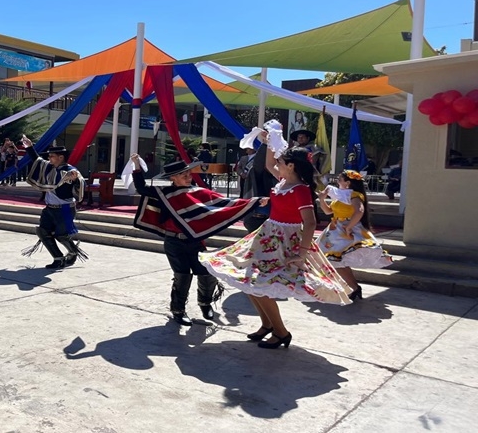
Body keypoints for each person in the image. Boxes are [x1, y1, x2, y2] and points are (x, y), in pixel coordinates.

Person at [199, 142, 352, 349]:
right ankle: (267, 325)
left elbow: (310, 222)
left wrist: (302, 253)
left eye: (282, 162)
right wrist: (270, 139)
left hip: (285, 241)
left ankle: (281, 333)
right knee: (247, 279)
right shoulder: (282, 181)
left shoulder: (300, 190)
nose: (277, 164)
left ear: (291, 166)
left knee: (261, 284)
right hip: (267, 235)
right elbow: (269, 162)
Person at [131, 155, 260, 326]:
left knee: (206, 272)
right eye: (183, 175)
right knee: (182, 275)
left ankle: (205, 304)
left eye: (189, 174)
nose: (188, 177)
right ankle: (178, 310)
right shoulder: (164, 194)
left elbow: (225, 203)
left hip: (194, 241)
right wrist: (136, 167)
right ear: (173, 178)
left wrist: (254, 202)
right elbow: (141, 187)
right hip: (173, 242)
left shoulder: (198, 192)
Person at [317, 170, 393, 300]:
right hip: (335, 229)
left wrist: (349, 226)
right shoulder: (340, 195)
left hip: (346, 230)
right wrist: (322, 199)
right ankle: (353, 287)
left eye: (340, 180)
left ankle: (353, 287)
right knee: (335, 261)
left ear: (348, 182)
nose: (337, 182)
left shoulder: (355, 195)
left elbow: (359, 211)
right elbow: (328, 211)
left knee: (336, 261)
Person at [20, 135, 85, 269]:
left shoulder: (69, 170)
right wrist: (30, 147)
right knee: (42, 231)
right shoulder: (49, 168)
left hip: (64, 209)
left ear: (61, 157)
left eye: (52, 156)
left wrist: (75, 179)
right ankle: (58, 258)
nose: (49, 159)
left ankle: (72, 252)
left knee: (61, 235)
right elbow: (37, 160)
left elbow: (79, 182)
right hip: (50, 208)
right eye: (49, 157)